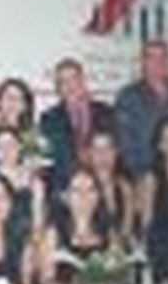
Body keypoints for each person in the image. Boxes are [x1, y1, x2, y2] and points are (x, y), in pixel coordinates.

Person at [114, 40, 168, 181]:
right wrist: (143, 176)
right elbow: (125, 144)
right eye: (151, 57)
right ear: (143, 62)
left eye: (162, 57)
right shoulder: (128, 98)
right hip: (143, 177)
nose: (158, 62)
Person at [40, 58, 115, 190]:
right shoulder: (49, 119)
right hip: (67, 187)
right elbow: (53, 159)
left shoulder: (106, 112)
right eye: (63, 81)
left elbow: (114, 152)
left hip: (102, 184)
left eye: (73, 78)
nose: (70, 86)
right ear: (58, 88)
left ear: (83, 80)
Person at [0, 126, 47, 239]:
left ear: (19, 147)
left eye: (11, 145)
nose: (6, 151)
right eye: (1, 146)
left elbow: (38, 221)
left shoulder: (33, 180)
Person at [85, 130, 137, 245]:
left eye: (108, 148)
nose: (102, 155)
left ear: (116, 152)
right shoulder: (83, 187)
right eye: (96, 150)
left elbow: (127, 229)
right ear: (89, 154)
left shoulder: (124, 186)